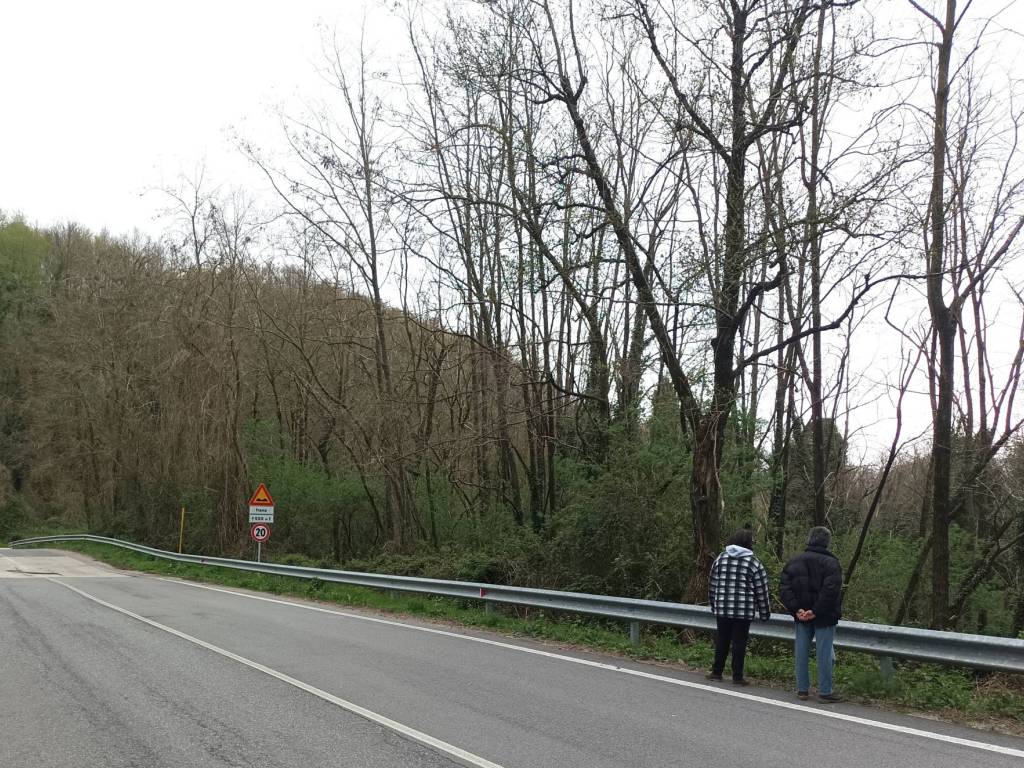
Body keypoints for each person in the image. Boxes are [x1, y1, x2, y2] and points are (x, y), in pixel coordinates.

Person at [780, 526, 843, 703]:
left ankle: (802, 690)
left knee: (801, 652)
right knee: (824, 654)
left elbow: (784, 588)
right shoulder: (832, 563)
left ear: (809, 539)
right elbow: (830, 591)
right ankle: (825, 691)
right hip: (824, 615)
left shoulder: (794, 561)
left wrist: (796, 609)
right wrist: (815, 611)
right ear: (827, 542)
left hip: (801, 615)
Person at [706, 528, 771, 686]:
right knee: (739, 642)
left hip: (722, 607)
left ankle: (716, 672)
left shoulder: (721, 558)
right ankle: (737, 676)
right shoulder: (753, 562)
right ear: (748, 543)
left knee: (722, 639)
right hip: (743, 610)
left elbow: (712, 584)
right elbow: (761, 589)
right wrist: (765, 613)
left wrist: (714, 604)